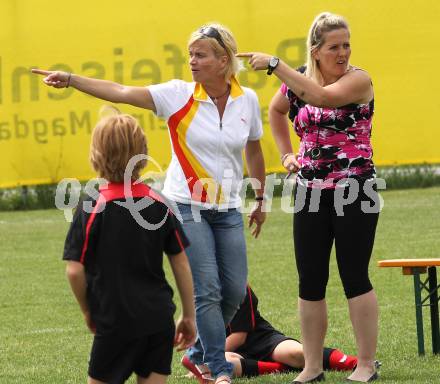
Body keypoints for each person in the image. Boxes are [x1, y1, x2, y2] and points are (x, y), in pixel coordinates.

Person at [35, 23, 266, 384]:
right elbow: (121, 91)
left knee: (235, 290)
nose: (191, 61)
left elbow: (253, 147)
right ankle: (218, 370)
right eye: (190, 53)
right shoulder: (177, 95)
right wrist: (71, 79)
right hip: (185, 204)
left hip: (228, 208)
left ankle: (198, 352)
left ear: (224, 61)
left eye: (200, 54)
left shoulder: (247, 100)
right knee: (208, 288)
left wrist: (262, 197)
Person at [237, 12, 380, 383]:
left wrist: (274, 64)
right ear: (316, 52)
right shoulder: (298, 80)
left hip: (355, 190)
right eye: (335, 46)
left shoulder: (358, 80)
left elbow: (322, 97)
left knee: (354, 276)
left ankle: (365, 365)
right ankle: (312, 366)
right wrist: (286, 154)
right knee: (310, 281)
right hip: (310, 193)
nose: (343, 52)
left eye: (347, 44)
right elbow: (277, 109)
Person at [63, 111, 196, 384]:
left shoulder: (92, 204)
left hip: (115, 320)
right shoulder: (159, 202)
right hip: (159, 319)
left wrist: (88, 311)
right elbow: (180, 261)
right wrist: (189, 315)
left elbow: (75, 271)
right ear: (143, 152)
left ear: (96, 153)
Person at [183, 285, 359, 382]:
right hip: (231, 352)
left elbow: (239, 337)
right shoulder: (199, 295)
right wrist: (202, 362)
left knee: (296, 353)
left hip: (264, 341)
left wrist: (208, 357)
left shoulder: (239, 289)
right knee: (223, 364)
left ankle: (354, 362)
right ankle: (281, 367)